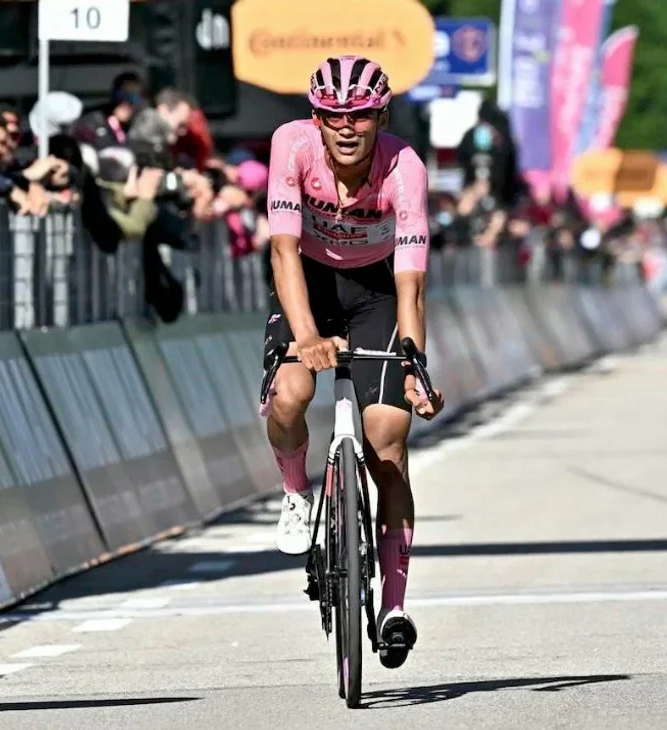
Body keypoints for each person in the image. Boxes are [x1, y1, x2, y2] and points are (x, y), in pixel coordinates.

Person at [261, 56, 446, 671]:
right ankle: (294, 490)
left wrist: (414, 364)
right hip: (308, 283)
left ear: (380, 117)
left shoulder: (405, 167)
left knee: (386, 440)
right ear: (315, 118)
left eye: (361, 116)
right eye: (333, 116)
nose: (346, 127)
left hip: (376, 292)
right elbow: (283, 251)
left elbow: (411, 284)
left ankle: (393, 604)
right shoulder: (292, 145)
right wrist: (308, 337)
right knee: (289, 394)